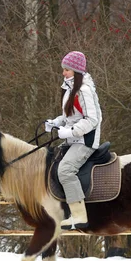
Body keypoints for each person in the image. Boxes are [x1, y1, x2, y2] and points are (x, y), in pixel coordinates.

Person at [45, 51, 103, 230]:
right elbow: (69, 117)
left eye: (67, 70)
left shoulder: (84, 91)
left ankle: (79, 216)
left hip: (85, 141)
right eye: (63, 69)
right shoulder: (70, 90)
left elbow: (92, 120)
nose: (63, 73)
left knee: (65, 170)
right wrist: (56, 123)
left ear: (77, 71)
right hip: (73, 140)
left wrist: (70, 132)